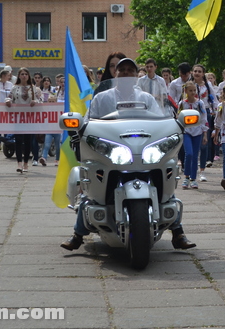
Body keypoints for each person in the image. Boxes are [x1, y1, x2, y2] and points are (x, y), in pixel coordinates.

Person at [61, 57, 195, 251]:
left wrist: (173, 126)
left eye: (130, 70)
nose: (125, 73)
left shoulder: (147, 98)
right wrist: (80, 127)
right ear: (116, 74)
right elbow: (88, 122)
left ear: (135, 75)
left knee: (167, 181)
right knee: (91, 189)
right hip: (114, 151)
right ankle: (78, 234)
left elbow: (162, 119)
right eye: (122, 70)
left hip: (143, 149)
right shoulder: (102, 98)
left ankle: (177, 232)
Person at [6, 67, 41, 173]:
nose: (24, 76)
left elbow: (40, 100)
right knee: (18, 140)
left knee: (27, 141)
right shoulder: (14, 87)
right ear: (19, 76)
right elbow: (9, 97)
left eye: (26, 74)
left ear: (28, 76)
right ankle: (19, 163)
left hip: (30, 117)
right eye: (22, 74)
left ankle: (26, 163)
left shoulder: (33, 88)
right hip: (18, 116)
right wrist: (7, 101)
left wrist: (36, 102)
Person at [178, 81, 209, 190]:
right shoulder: (182, 104)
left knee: (195, 155)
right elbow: (179, 118)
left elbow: (204, 119)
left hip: (197, 132)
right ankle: (186, 176)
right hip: (186, 132)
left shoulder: (200, 103)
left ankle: (193, 178)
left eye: (194, 90)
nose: (193, 93)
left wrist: (205, 133)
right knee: (189, 153)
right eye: (190, 90)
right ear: (185, 91)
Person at [191, 64, 219, 179]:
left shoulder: (207, 87)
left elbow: (215, 101)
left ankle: (202, 171)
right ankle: (192, 170)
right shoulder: (189, 85)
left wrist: (217, 114)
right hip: (192, 114)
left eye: (199, 71)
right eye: (195, 71)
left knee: (204, 144)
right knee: (192, 144)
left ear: (203, 74)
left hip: (205, 114)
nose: (197, 73)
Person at [42, 75, 64, 166]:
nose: (62, 84)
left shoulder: (69, 92)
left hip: (60, 123)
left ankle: (57, 159)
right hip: (51, 125)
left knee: (58, 144)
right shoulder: (56, 91)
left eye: (64, 82)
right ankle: (44, 158)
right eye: (61, 82)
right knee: (47, 144)